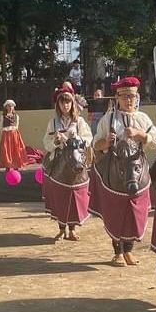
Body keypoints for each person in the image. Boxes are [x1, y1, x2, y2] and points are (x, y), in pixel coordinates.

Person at [92, 76, 156, 266]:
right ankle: (117, 252)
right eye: (125, 97)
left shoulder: (142, 118)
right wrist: (106, 142)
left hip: (137, 170)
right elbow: (95, 144)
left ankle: (129, 249)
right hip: (115, 170)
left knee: (134, 211)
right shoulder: (108, 119)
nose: (129, 100)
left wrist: (141, 135)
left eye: (132, 96)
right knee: (116, 210)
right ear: (117, 98)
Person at [42, 84, 93, 241]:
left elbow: (88, 138)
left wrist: (75, 137)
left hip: (75, 157)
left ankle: (72, 229)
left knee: (75, 194)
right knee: (58, 192)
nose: (65, 105)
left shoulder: (79, 121)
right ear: (58, 105)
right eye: (62, 102)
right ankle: (61, 228)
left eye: (68, 102)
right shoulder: (53, 122)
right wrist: (56, 141)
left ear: (72, 104)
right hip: (59, 158)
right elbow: (46, 141)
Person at [0, 100, 27, 170]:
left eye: (12, 106)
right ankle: (7, 165)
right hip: (6, 135)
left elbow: (17, 125)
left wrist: (14, 133)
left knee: (16, 149)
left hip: (14, 134)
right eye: (9, 106)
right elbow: (0, 126)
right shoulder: (2, 117)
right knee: (6, 150)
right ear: (6, 107)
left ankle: (16, 165)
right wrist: (5, 134)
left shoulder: (16, 116)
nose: (10, 107)